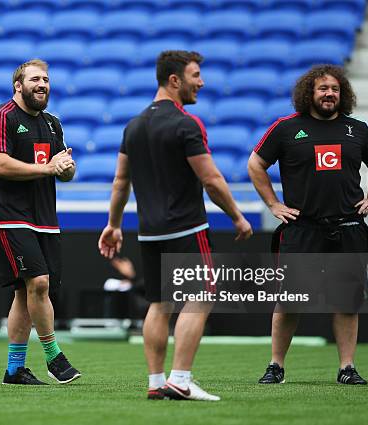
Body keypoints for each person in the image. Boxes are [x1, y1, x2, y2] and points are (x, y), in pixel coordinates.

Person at [98, 50, 253, 401]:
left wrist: (114, 224)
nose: (201, 82)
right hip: (187, 228)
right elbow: (211, 179)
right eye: (196, 75)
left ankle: (156, 383)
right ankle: (180, 379)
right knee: (200, 296)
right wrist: (237, 217)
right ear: (174, 80)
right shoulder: (187, 123)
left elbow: (121, 182)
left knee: (159, 303)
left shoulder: (133, 126)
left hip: (149, 231)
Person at [248, 64, 368, 385]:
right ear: (309, 93)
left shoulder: (358, 129)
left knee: (346, 300)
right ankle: (276, 366)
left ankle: (346, 368)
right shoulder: (286, 128)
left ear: (343, 95)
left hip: (349, 226)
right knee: (289, 300)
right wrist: (273, 204)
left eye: (335, 89)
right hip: (302, 228)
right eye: (323, 89)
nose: (330, 94)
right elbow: (256, 163)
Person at [0, 59, 80, 386]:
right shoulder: (1, 117)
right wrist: (48, 169)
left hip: (45, 219)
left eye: (47, 79)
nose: (43, 84)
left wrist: (66, 170)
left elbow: (63, 169)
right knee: (38, 283)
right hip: (9, 216)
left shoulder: (53, 124)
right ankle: (53, 356)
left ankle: (14, 369)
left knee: (25, 294)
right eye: (35, 78)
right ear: (18, 85)